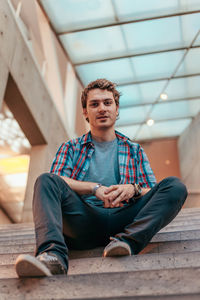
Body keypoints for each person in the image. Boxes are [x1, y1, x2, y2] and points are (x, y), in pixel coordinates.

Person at [15, 78, 187, 277]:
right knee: (45, 180)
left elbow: (152, 190)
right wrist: (94, 188)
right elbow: (58, 180)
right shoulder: (71, 147)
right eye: (94, 104)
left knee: (175, 186)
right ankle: (52, 256)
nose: (102, 109)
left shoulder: (134, 150)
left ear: (116, 108)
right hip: (82, 221)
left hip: (125, 220)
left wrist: (134, 189)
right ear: (85, 112)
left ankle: (127, 242)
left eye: (107, 103)